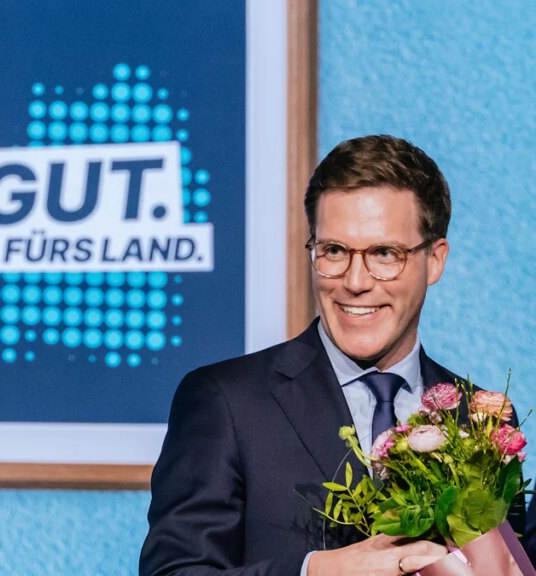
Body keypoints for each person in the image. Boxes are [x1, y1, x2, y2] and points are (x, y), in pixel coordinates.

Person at [139, 135, 520, 575]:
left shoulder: (483, 420)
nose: (355, 282)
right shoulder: (226, 402)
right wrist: (317, 571)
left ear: (435, 260)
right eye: (334, 251)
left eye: (384, 254)